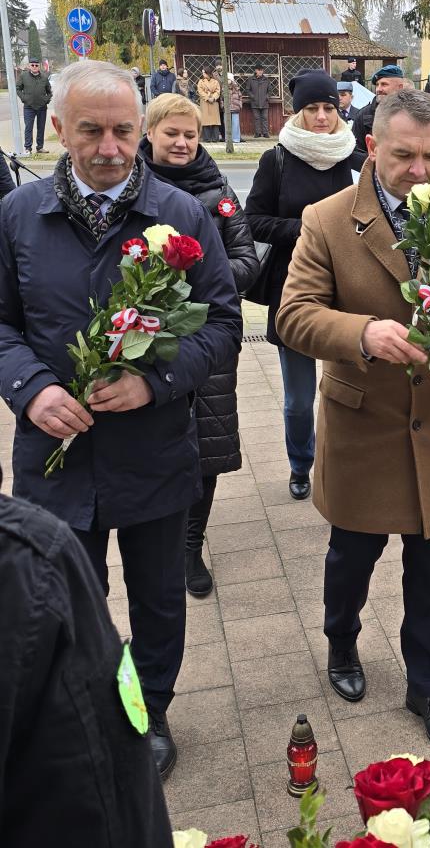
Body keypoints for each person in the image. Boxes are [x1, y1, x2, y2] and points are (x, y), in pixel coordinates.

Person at [0, 60, 241, 777]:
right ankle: (85, 708)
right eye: (91, 131)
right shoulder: (16, 215)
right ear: (57, 129)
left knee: (159, 598)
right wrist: (30, 387)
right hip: (56, 453)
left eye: (123, 131)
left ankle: (148, 710)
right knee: (67, 597)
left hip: (154, 452)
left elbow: (223, 323)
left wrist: (154, 382)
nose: (109, 147)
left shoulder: (182, 215)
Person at [274, 89, 430, 754]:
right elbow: (292, 315)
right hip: (363, 427)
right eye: (406, 155)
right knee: (351, 556)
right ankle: (341, 641)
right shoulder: (326, 220)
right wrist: (362, 332)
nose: (421, 170)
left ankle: (428, 684)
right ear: (373, 146)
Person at [0, 484, 174, 845]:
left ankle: (151, 706)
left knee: (158, 595)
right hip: (61, 467)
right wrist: (27, 420)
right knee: (61, 611)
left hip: (154, 461)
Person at [140, 93, 259, 598]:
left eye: (190, 134)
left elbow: (248, 261)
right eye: (172, 133)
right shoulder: (132, 188)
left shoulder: (218, 190)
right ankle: (154, 540)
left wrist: (190, 281)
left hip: (207, 343)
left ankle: (190, 545)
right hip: (142, 342)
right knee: (148, 443)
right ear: (150, 134)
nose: (183, 142)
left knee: (204, 450)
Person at [245, 71, 355, 502]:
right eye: (313, 109)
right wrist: (309, 228)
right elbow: (253, 220)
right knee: (298, 399)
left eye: (329, 108)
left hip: (348, 287)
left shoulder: (356, 159)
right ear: (298, 112)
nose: (322, 117)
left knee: (349, 388)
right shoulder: (277, 160)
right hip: (293, 289)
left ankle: (343, 458)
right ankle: (300, 463)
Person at [352, 65, 407, 166]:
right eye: (377, 85)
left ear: (400, 87)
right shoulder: (364, 116)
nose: (378, 89)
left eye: (384, 84)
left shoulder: (411, 114)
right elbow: (355, 153)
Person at [16, 57, 52, 155]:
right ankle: (28, 148)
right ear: (29, 66)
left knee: (41, 127)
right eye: (32, 65)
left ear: (39, 66)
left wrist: (46, 100)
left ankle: (40, 147)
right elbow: (18, 88)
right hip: (29, 107)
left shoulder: (44, 77)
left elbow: (49, 91)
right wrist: (24, 99)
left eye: (36, 65)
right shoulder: (23, 76)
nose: (34, 67)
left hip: (42, 107)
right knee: (28, 127)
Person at [245, 62, 272, 138]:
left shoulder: (266, 80)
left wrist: (267, 97)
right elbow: (247, 90)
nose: (260, 71)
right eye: (258, 70)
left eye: (261, 70)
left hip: (265, 102)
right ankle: (258, 133)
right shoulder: (251, 79)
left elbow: (270, 90)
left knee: (265, 118)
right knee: (256, 118)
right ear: (255, 70)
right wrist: (252, 96)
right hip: (254, 102)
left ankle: (265, 133)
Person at [197, 67, 222, 142]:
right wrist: (208, 98)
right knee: (206, 120)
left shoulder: (215, 82)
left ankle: (215, 138)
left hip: (214, 102)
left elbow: (218, 91)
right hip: (205, 102)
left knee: (215, 120)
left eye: (204, 72)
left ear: (208, 73)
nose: (203, 74)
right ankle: (207, 138)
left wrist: (213, 98)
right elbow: (200, 91)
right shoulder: (201, 81)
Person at [226, 73, 243, 143]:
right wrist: (222, 106)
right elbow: (221, 98)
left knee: (235, 124)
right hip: (227, 108)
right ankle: (228, 139)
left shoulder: (236, 88)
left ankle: (236, 139)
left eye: (228, 79)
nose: (227, 81)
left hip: (235, 107)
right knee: (227, 124)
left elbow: (240, 97)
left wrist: (240, 105)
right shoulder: (224, 88)